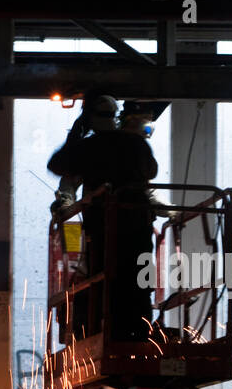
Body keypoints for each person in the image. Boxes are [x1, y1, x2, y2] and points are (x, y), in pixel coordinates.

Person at [48, 98, 166, 341]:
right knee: (138, 284)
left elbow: (57, 165)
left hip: (103, 229)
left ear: (89, 118)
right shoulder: (135, 143)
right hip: (137, 227)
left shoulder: (89, 146)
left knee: (104, 280)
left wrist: (77, 135)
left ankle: (105, 332)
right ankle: (139, 336)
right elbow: (150, 173)